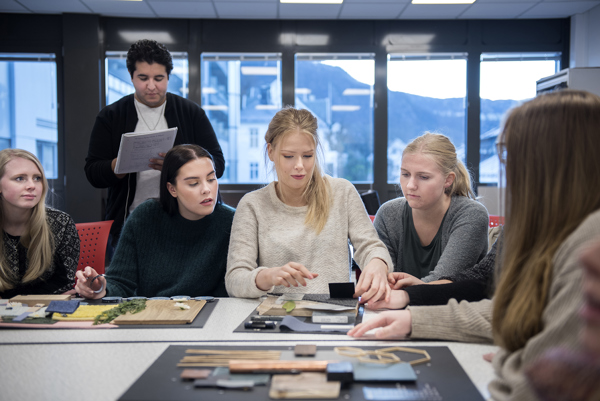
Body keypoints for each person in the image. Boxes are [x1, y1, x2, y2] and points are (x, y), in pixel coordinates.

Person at [348, 90, 600, 401]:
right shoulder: (534, 226)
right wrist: (414, 315)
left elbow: (532, 379)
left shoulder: (589, 240)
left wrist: (513, 358)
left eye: (512, 158)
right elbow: (494, 296)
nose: (509, 173)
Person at [225, 107, 393, 303]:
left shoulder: (341, 192)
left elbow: (372, 246)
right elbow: (235, 280)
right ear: (271, 151)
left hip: (333, 315)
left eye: (307, 156)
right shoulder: (252, 205)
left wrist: (377, 263)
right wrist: (267, 276)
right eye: (288, 156)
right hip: (276, 318)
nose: (300, 165)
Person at [85, 39, 225, 250]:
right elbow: (92, 172)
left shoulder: (191, 112)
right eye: (143, 78)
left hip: (186, 219)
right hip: (130, 221)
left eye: (159, 78)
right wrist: (118, 166)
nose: (151, 86)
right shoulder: (111, 116)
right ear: (131, 77)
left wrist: (179, 164)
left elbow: (219, 164)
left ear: (169, 77)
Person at [76, 145, 234, 299]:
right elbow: (121, 283)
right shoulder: (146, 216)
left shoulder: (232, 221)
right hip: (153, 315)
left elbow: (233, 290)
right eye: (194, 183)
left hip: (211, 316)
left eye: (211, 179)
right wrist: (99, 288)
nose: (206, 189)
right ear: (172, 189)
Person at [374, 133, 489, 287]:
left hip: (452, 309)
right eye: (405, 174)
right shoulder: (388, 214)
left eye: (423, 177)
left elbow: (443, 281)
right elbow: (385, 282)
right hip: (395, 306)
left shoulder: (472, 215)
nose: (410, 185)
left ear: (448, 180)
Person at [0, 149, 79, 299]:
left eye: (37, 178)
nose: (32, 185)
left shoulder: (61, 223)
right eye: (19, 178)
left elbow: (63, 285)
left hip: (45, 312)